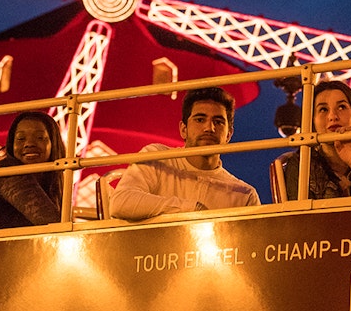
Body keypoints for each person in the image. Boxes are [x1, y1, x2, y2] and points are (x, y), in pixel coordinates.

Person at [111, 86, 260, 220]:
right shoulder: (157, 157)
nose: (209, 128)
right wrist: (191, 208)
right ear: (183, 129)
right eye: (200, 119)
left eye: (218, 122)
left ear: (229, 135)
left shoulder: (244, 195)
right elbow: (121, 202)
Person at [276, 79, 351, 200]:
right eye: (323, 109)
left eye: (342, 107)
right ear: (313, 122)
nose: (333, 116)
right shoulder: (300, 166)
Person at [0, 111, 63, 230]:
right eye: (20, 138)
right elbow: (54, 224)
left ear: (53, 143)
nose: (29, 144)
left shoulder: (52, 182)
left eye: (39, 137)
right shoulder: (7, 171)